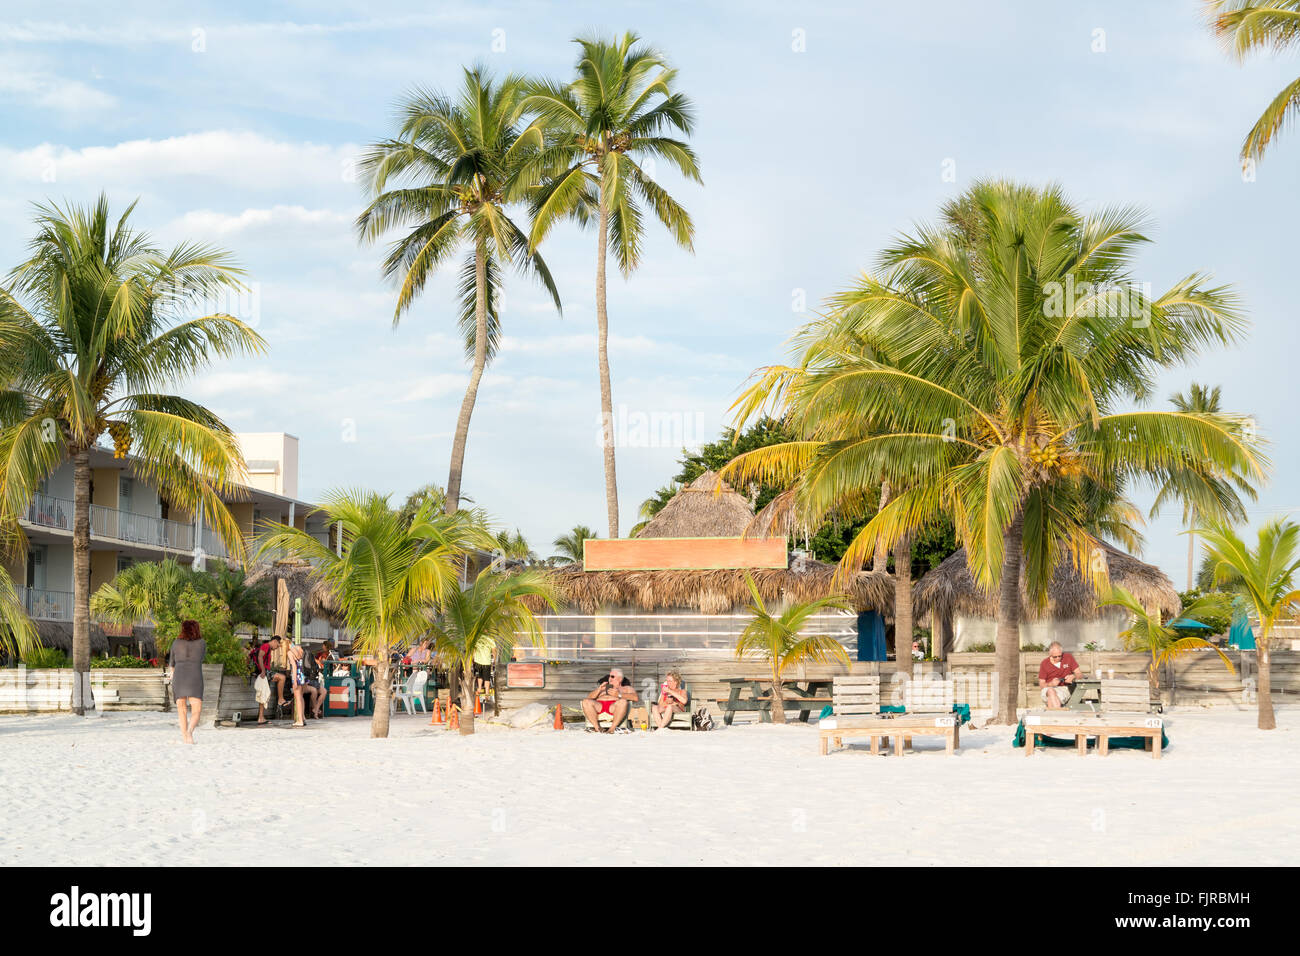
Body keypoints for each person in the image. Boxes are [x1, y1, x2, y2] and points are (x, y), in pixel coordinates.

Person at [168, 619, 206, 744]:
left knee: (182, 710)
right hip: (195, 676)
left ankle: (186, 737)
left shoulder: (176, 643)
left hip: (179, 677)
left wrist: (171, 676)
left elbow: (171, 664)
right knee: (196, 710)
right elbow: (201, 658)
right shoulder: (202, 643)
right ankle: (189, 732)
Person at [581, 668, 638, 733]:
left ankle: (612, 729)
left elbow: (635, 697)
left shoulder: (626, 688)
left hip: (613, 707)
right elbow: (589, 697)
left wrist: (618, 695)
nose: (609, 678)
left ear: (619, 678)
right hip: (599, 706)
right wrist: (599, 690)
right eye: (609, 676)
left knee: (623, 702)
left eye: (612, 676)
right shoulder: (603, 688)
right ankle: (597, 728)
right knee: (586, 701)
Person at [1038, 641, 1082, 709]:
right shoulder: (1044, 663)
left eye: (1059, 656)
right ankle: (1058, 713)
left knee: (1052, 698)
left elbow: (1079, 674)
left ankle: (1053, 715)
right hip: (1047, 689)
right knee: (1051, 691)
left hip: (1064, 688)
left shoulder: (1068, 657)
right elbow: (1041, 685)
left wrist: (1073, 676)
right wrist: (1051, 684)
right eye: (1055, 657)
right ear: (1050, 654)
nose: (1058, 658)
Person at [254, 636, 279, 724]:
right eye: (278, 645)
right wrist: (263, 670)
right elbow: (260, 657)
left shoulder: (268, 648)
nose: (277, 647)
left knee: (263, 694)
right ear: (275, 641)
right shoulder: (266, 646)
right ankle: (281, 699)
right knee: (282, 678)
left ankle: (261, 717)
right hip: (264, 672)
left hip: (265, 671)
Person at [287, 643, 309, 727]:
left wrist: (295, 681)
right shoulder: (301, 651)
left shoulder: (290, 653)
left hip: (297, 675)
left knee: (297, 698)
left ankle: (300, 720)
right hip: (303, 675)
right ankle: (303, 717)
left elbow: (294, 667)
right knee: (301, 697)